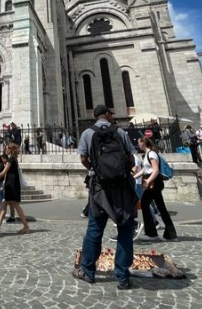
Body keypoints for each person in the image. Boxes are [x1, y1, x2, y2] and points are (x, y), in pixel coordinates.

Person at [73, 105, 137, 290]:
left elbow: (83, 158)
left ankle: (88, 271)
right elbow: (131, 157)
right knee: (125, 228)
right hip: (122, 187)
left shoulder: (87, 133)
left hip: (100, 188)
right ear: (107, 114)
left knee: (95, 229)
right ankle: (123, 277)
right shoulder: (120, 131)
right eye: (110, 113)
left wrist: (95, 170)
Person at [134, 136, 177, 240]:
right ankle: (170, 234)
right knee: (161, 207)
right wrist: (133, 177)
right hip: (153, 182)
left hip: (154, 183)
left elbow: (156, 170)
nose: (138, 144)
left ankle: (151, 233)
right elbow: (144, 170)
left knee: (144, 203)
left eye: (139, 142)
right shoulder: (147, 155)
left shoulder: (152, 154)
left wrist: (148, 181)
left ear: (143, 143)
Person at [0, 144, 29, 235]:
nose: (5, 150)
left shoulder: (10, 159)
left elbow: (4, 172)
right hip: (11, 184)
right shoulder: (14, 159)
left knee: (14, 205)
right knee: (4, 204)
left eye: (6, 148)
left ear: (10, 149)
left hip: (11, 185)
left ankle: (26, 226)